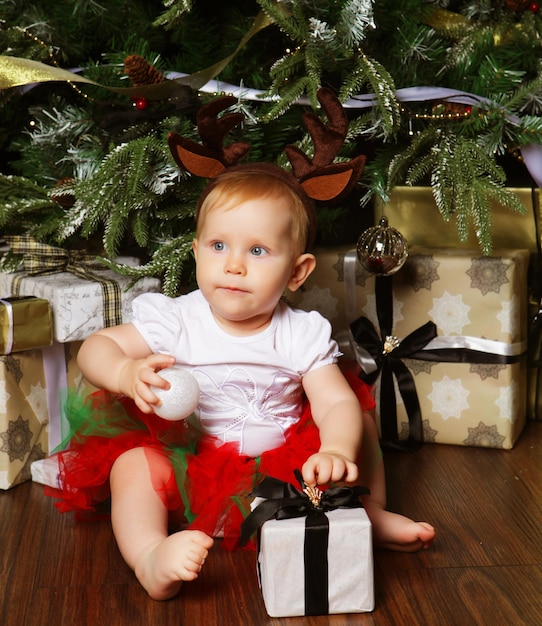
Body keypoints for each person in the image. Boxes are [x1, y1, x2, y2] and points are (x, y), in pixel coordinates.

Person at [48, 165, 435, 602]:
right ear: (195, 253)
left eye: (257, 250)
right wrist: (124, 372)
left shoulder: (299, 332)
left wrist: (335, 451)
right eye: (218, 246)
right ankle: (149, 555)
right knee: (134, 465)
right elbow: (95, 347)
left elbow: (334, 403)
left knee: (358, 421)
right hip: (193, 463)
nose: (233, 265)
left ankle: (366, 513)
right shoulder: (177, 320)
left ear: (297, 271)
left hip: (285, 470)